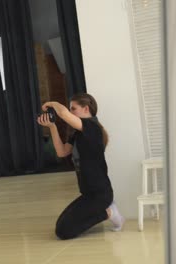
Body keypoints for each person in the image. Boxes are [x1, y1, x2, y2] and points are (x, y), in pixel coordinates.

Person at [37, 93, 124, 240]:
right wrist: (52, 126)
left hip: (100, 195)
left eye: (74, 109)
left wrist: (51, 103)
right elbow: (61, 152)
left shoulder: (92, 127)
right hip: (87, 194)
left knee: (64, 232)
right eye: (70, 109)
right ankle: (105, 211)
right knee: (60, 225)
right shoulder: (78, 133)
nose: (71, 112)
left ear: (86, 109)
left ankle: (108, 212)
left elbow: (63, 113)